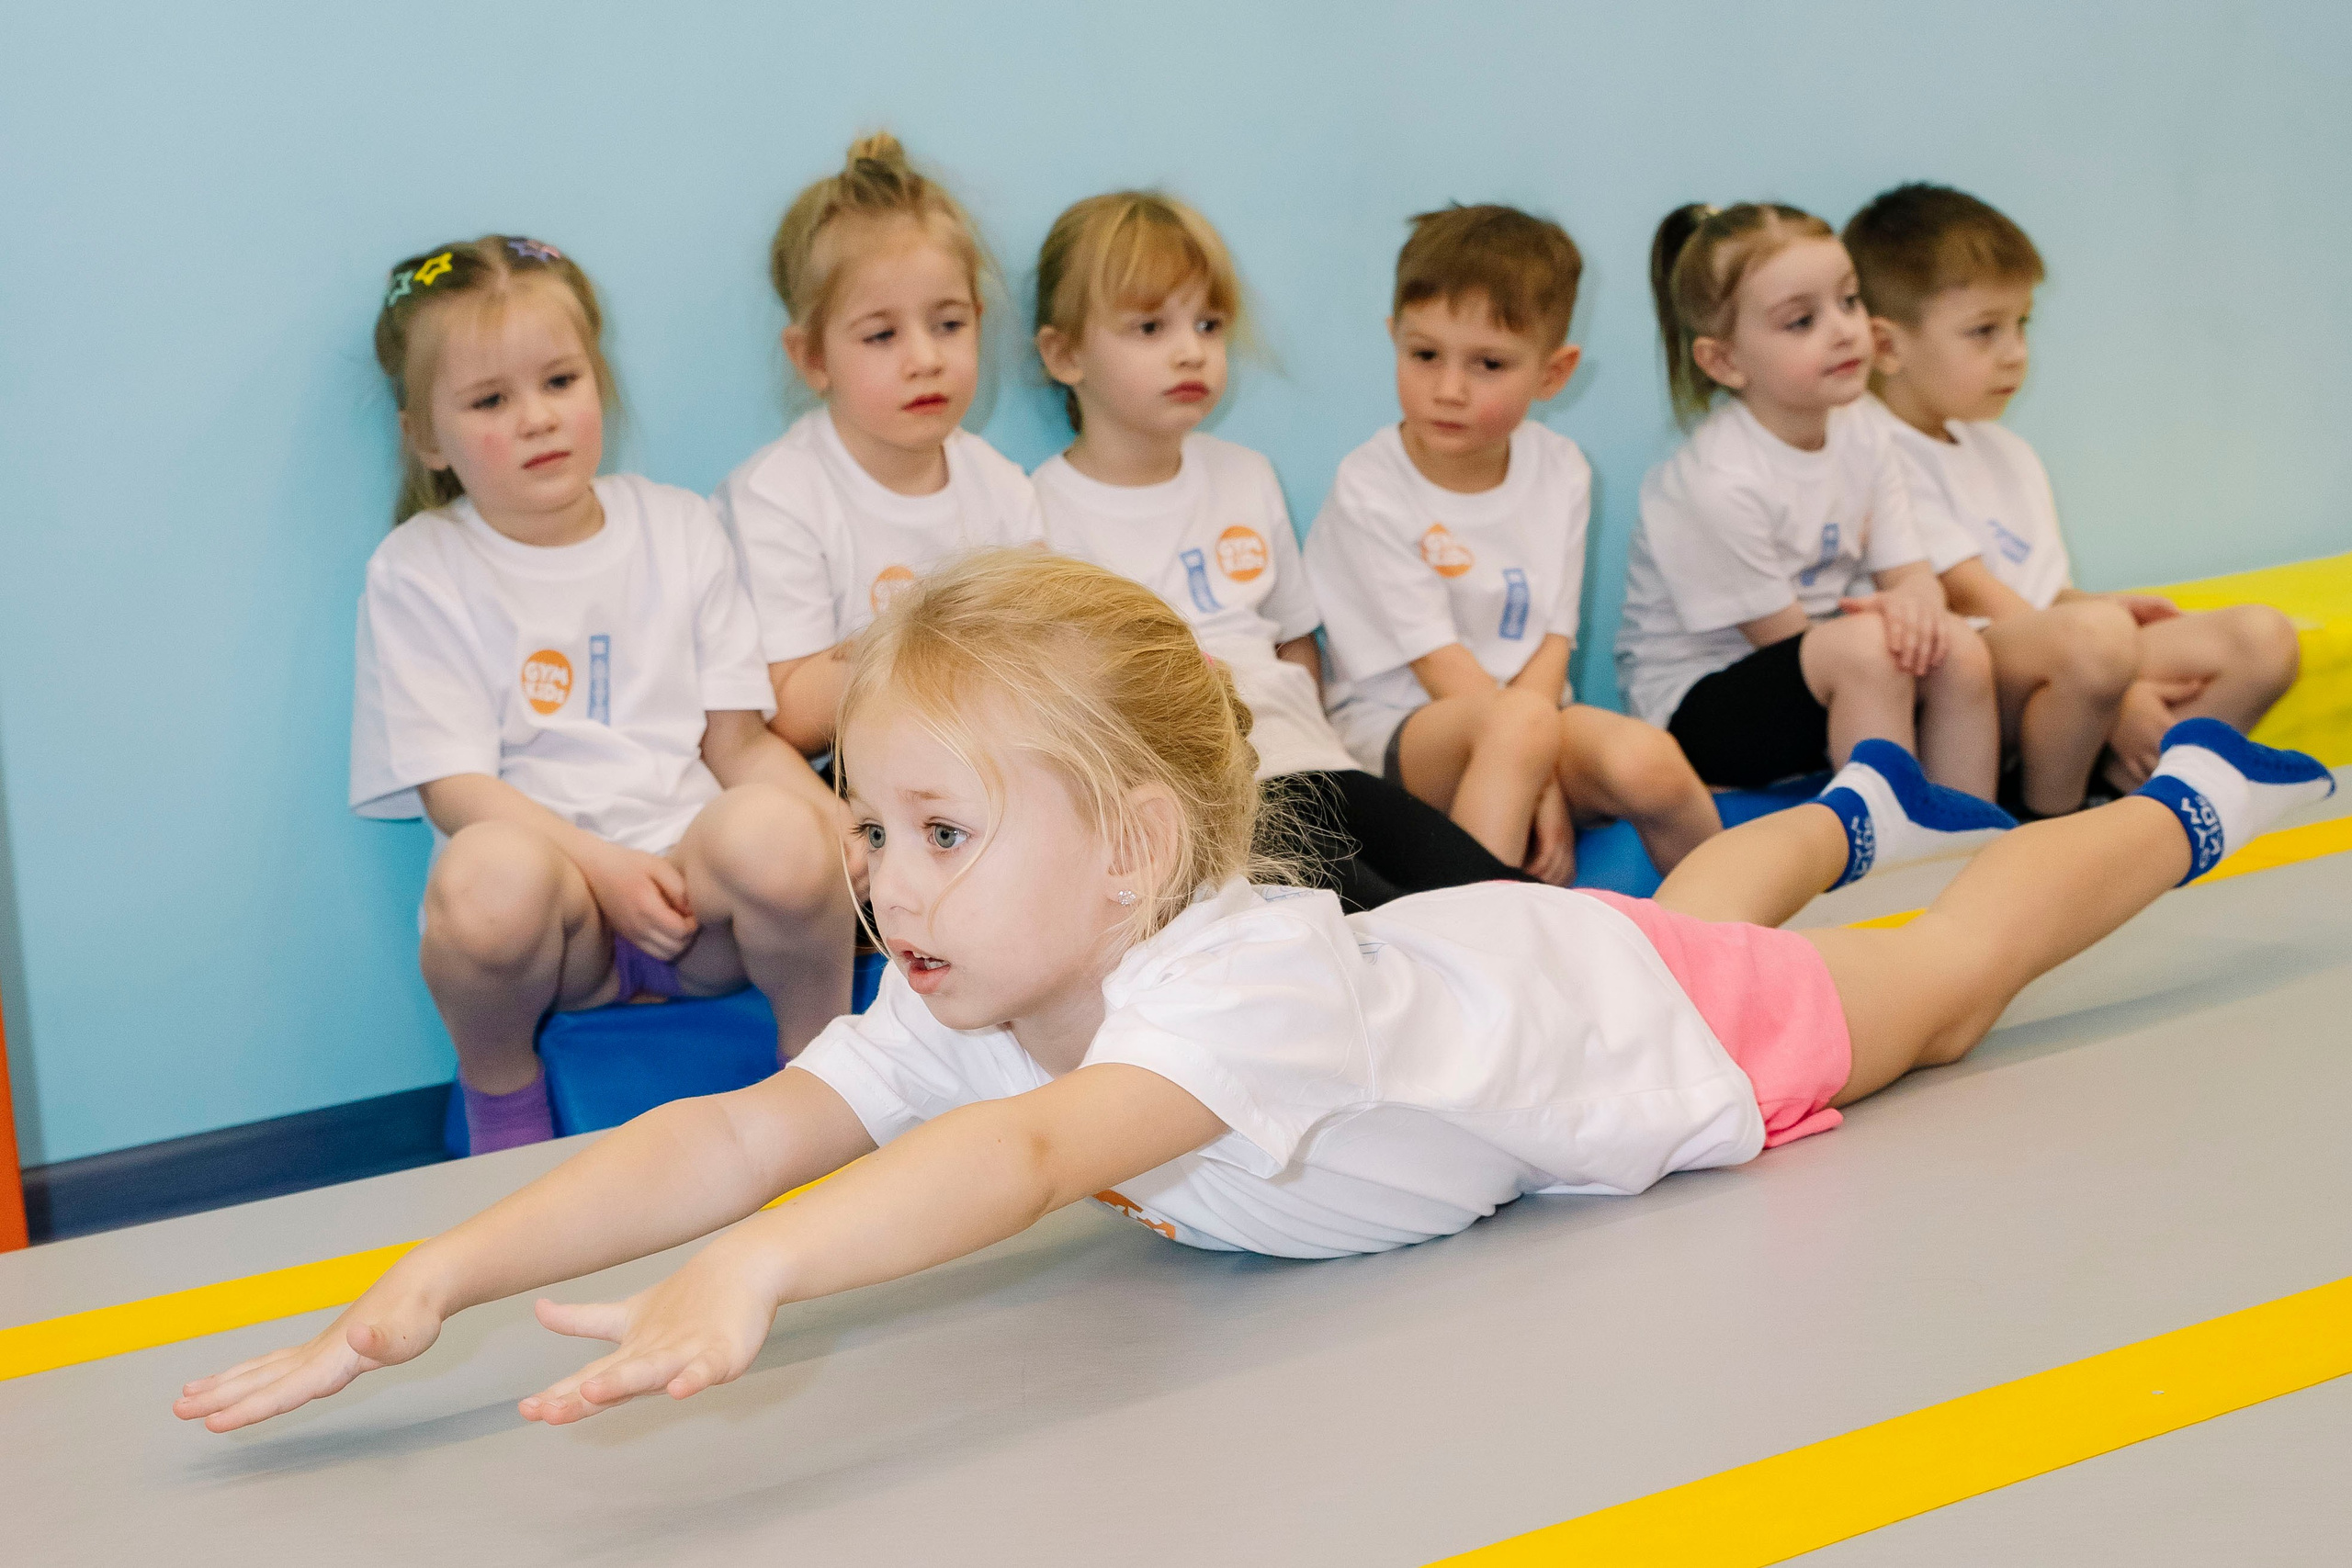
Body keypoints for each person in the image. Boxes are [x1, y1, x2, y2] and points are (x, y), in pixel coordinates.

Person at [182, 549, 2331, 1432]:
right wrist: (441, 1271)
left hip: (1616, 1036)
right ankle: (1849, 805)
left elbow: (1034, 1154)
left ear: (1127, 851)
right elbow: (730, 1126)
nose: (879, 878)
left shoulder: (1225, 1000)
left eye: (939, 828)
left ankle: (2189, 806)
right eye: (871, 822)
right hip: (1494, 958)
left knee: (1936, 986)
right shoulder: (971, 974)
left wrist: (768, 1268)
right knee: (1720, 909)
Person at [349, 236, 854, 1154]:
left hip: (697, 906)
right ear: (425, 436)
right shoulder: (419, 567)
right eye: (491, 401)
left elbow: (739, 747)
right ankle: (504, 1100)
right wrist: (605, 870)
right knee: (484, 880)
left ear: (598, 381)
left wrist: (848, 837)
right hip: (563, 924)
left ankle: (825, 1079)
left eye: (560, 381)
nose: (537, 418)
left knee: (787, 834)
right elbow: (453, 789)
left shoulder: (680, 526)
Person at [1030, 188, 1526, 908]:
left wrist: (1315, 738)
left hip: (1320, 766)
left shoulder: (1246, 474)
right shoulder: (1039, 511)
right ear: (1065, 353)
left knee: (1499, 894)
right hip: (1210, 797)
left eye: (1208, 324)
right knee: (1372, 917)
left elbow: (1296, 642)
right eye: (1151, 327)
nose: (1190, 350)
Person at [1845, 182, 2301, 815]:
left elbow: (2042, 594)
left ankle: (2128, 793)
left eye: (2021, 325)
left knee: (2263, 640)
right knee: (2096, 642)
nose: (2015, 354)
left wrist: (2099, 610)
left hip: (2062, 660)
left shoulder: (2005, 452)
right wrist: (2118, 688)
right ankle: (2050, 816)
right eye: (1983, 331)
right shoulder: (1870, 449)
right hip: (1961, 687)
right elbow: (1973, 595)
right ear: (1888, 346)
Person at [1306, 205, 1720, 885]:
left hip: (1533, 720)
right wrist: (1539, 785)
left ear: (1554, 372)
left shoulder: (1562, 469)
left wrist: (1537, 771)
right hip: (1401, 737)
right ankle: (1468, 940)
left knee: (1648, 761)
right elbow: (1441, 669)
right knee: (1519, 726)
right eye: (1424, 355)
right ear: (1394, 339)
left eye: (1489, 364)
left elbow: (1554, 641)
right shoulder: (1370, 486)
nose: (1448, 389)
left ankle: (1736, 927)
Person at [1617, 202, 2000, 801]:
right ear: (1725, 361)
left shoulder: (1864, 428)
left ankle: (1971, 834)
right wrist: (1893, 632)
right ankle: (1884, 835)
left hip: (1827, 658)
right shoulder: (1716, 481)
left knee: (1961, 649)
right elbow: (1783, 643)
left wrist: (1920, 608)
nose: (1845, 329)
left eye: (1849, 300)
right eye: (1801, 321)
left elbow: (1911, 573)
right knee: (1871, 652)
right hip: (1698, 711)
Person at [714, 131, 1043, 775]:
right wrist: (943, 638)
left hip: (989, 753)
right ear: (812, 357)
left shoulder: (1003, 486)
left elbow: (1035, 652)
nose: (925, 359)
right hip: (856, 770)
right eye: (882, 335)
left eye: (949, 325)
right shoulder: (778, 495)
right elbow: (793, 714)